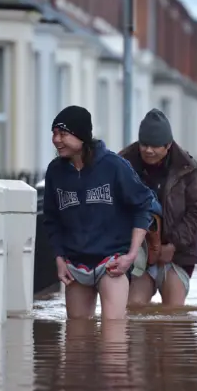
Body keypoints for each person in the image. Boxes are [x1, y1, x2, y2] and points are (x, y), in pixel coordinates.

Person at [42, 105, 161, 320]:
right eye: (54, 133)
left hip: (112, 263)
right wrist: (59, 259)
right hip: (75, 266)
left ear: (81, 136)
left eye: (62, 134)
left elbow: (144, 205)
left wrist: (131, 256)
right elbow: (51, 219)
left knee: (113, 344)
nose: (56, 139)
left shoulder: (114, 166)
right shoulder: (55, 172)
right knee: (76, 341)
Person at [119, 109, 197, 307]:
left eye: (155, 146)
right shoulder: (123, 163)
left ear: (168, 145)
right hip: (139, 253)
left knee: (173, 313)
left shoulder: (187, 167)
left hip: (178, 254)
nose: (148, 150)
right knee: (134, 306)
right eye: (144, 144)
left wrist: (173, 244)